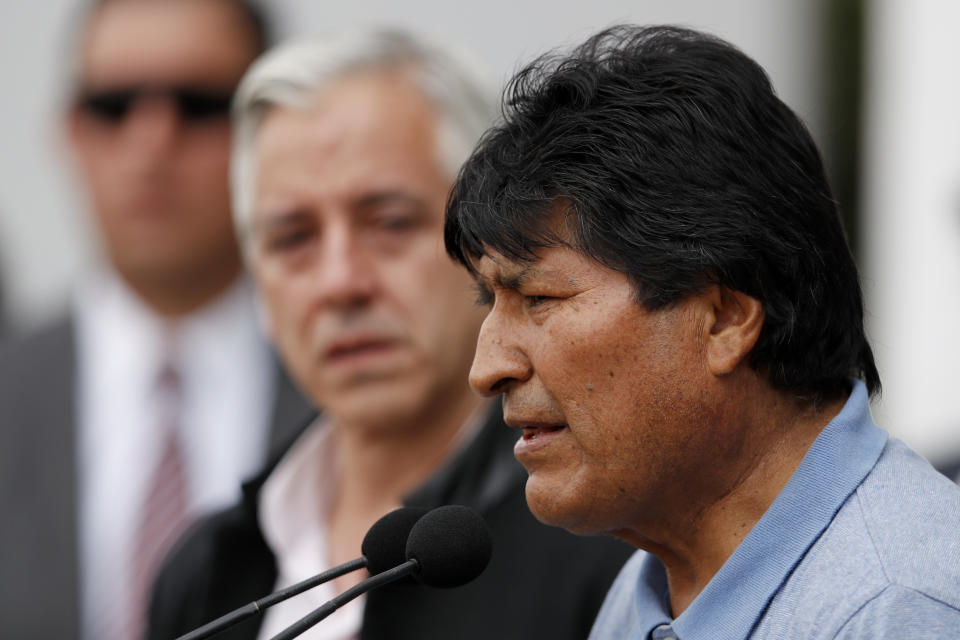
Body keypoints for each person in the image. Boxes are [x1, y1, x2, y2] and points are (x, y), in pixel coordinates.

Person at [444, 24, 960, 640]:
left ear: (724, 319)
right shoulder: (655, 588)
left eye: (539, 298)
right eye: (489, 300)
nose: (487, 368)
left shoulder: (897, 607)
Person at [147, 29, 632, 640]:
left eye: (390, 223)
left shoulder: (606, 548)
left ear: (494, 248)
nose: (341, 282)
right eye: (293, 238)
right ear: (258, 288)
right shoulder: (208, 568)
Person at [0, 1, 311, 638]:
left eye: (198, 105)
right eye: (113, 106)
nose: (152, 141)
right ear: (70, 132)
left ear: (273, 131)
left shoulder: (355, 386)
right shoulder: (11, 390)